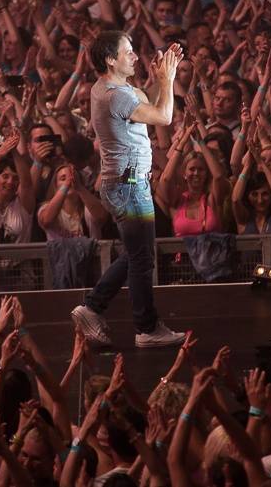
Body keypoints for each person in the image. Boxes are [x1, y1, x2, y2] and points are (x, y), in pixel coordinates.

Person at [70, 31, 186, 348]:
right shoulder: (116, 96)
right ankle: (146, 329)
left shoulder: (108, 88)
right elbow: (163, 115)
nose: (135, 56)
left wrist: (158, 78)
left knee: (137, 254)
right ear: (111, 59)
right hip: (129, 185)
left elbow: (146, 103)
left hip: (125, 183)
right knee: (142, 259)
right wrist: (169, 79)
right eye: (129, 51)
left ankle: (92, 306)